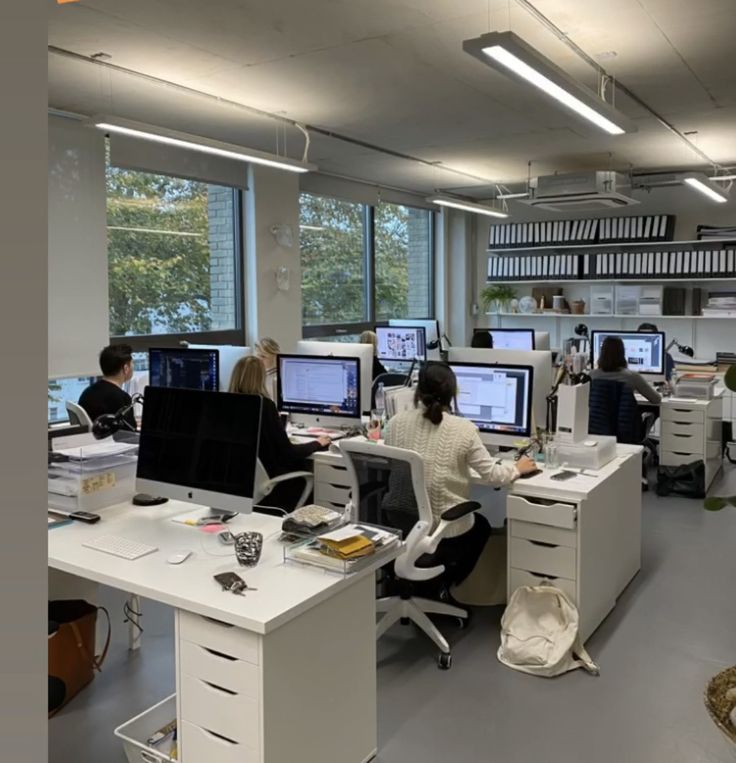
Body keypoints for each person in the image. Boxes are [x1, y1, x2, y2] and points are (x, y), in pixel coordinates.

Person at [383, 362, 537, 589]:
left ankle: (428, 585)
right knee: (482, 525)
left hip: (400, 520)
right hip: (442, 528)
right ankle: (446, 585)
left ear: (417, 391)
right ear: (453, 393)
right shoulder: (463, 429)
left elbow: (394, 461)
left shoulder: (396, 423)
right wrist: (517, 468)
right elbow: (493, 476)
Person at [229, 356, 330, 511]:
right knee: (309, 470)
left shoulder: (226, 406)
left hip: (242, 485)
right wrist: (316, 443)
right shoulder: (264, 406)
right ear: (259, 378)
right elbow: (288, 453)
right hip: (272, 485)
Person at [78, 344, 137, 430]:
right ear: (126, 368)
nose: (133, 367)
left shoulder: (88, 392)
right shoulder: (121, 398)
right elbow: (130, 435)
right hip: (115, 442)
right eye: (132, 363)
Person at [590, 335, 661, 404]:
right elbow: (656, 399)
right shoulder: (632, 377)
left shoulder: (592, 376)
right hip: (623, 415)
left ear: (602, 353)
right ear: (622, 353)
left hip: (598, 416)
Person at [254, 337, 280, 401]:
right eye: (257, 356)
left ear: (275, 357)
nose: (259, 359)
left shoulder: (277, 378)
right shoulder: (254, 373)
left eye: (263, 356)